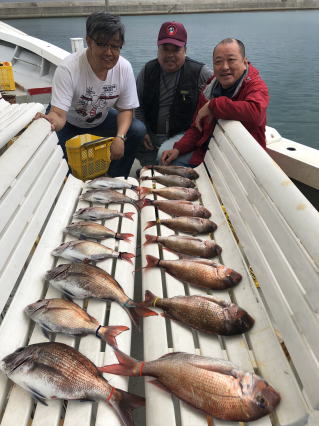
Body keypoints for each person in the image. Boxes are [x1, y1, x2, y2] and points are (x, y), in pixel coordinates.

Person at [35, 12, 146, 177]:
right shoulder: (68, 68)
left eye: (115, 46)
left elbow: (126, 109)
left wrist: (120, 137)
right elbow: (58, 114)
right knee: (57, 158)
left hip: (99, 120)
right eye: (102, 44)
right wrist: (51, 121)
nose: (109, 52)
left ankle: (115, 178)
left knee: (137, 130)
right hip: (69, 122)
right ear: (89, 41)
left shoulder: (124, 68)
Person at [160, 38, 269, 167]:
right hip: (210, 153)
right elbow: (197, 127)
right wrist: (178, 149)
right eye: (218, 62)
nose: (224, 67)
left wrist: (213, 105)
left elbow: (255, 113)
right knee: (165, 157)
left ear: (244, 61)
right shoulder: (211, 87)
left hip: (244, 161)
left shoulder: (255, 85)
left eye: (231, 60)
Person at [135, 21, 211, 166]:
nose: (170, 55)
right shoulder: (147, 70)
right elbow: (136, 103)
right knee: (128, 140)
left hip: (181, 135)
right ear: (158, 49)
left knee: (162, 154)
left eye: (176, 49)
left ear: (185, 50)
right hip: (150, 132)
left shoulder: (200, 72)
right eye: (165, 49)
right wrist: (142, 129)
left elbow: (222, 87)